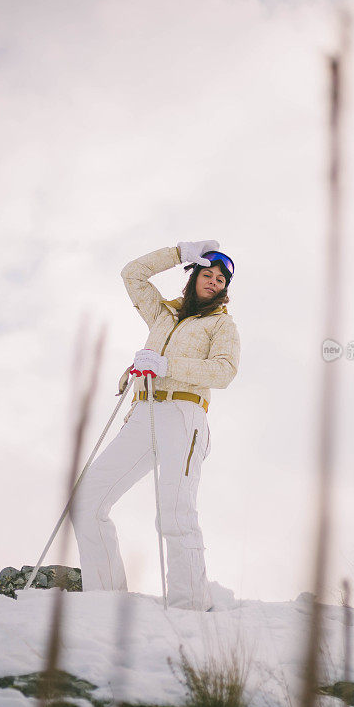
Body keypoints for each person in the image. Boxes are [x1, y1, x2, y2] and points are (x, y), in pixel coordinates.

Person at [71, 240, 240, 611]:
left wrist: (168, 366)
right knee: (86, 500)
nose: (214, 282)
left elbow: (224, 371)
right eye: (207, 274)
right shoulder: (163, 316)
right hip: (143, 413)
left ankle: (190, 606)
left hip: (185, 415)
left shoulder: (221, 325)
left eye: (221, 280)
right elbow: (132, 274)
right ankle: (104, 601)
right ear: (194, 275)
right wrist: (179, 252)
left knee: (175, 512)